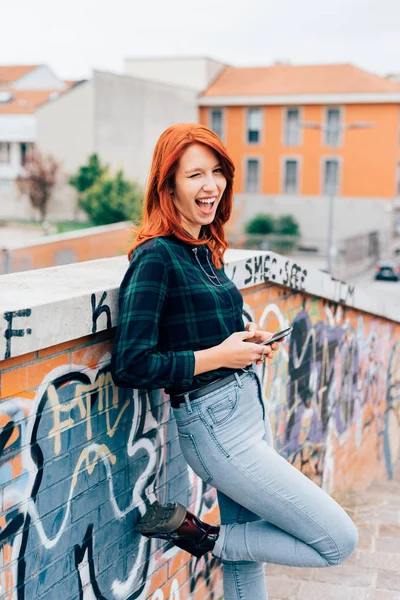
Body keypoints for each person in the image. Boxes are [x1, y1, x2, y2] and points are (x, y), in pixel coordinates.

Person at [110, 123, 358, 599]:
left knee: (248, 566)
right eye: (195, 175)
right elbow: (132, 363)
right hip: (214, 426)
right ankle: (203, 539)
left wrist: (243, 341)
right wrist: (220, 355)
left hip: (246, 411)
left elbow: (196, 329)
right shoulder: (156, 257)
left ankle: (214, 540)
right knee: (337, 540)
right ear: (168, 186)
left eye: (218, 171)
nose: (211, 185)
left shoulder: (204, 250)